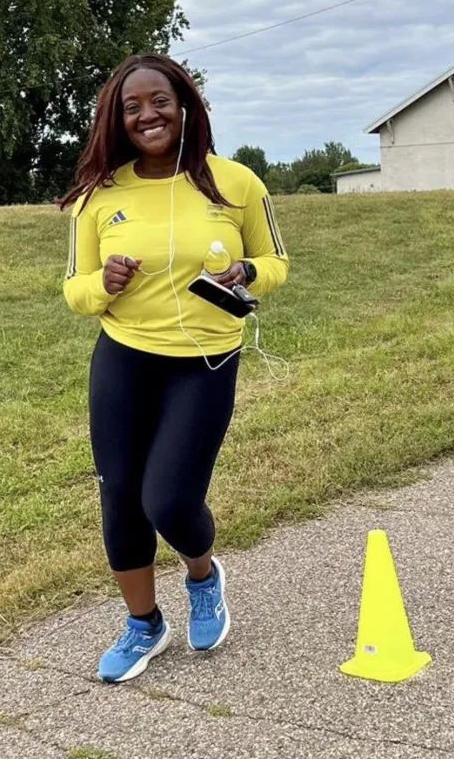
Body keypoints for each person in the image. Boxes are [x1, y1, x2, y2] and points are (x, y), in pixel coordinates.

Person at [59, 53, 288, 683]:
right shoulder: (98, 196)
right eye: (131, 107)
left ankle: (202, 574)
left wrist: (245, 273)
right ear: (117, 120)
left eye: (158, 100)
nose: (146, 115)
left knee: (170, 499)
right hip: (124, 359)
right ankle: (143, 626)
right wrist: (102, 283)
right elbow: (75, 292)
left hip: (206, 361)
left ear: (184, 104)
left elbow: (277, 264)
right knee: (121, 500)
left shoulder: (236, 183)